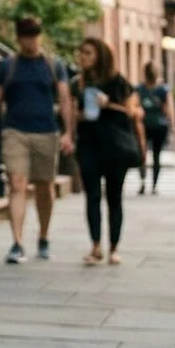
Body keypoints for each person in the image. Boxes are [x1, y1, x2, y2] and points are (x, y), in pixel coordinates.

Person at [0, 16, 77, 264]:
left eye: (36, 34)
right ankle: (17, 243)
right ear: (19, 38)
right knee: (17, 183)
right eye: (28, 35)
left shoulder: (54, 64)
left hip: (46, 131)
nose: (32, 39)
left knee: (44, 187)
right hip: (15, 131)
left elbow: (64, 99)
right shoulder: (8, 66)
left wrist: (68, 132)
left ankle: (43, 236)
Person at [73, 38, 143, 264]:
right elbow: (72, 111)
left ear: (100, 56)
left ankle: (113, 247)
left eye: (88, 53)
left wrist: (108, 104)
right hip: (89, 143)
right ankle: (95, 246)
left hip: (114, 145)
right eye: (81, 52)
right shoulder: (79, 83)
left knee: (114, 197)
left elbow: (133, 111)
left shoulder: (117, 82)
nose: (82, 57)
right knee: (92, 196)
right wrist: (78, 117)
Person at [135, 62, 174, 195]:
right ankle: (154, 185)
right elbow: (169, 109)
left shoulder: (139, 89)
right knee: (157, 156)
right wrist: (173, 125)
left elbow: (135, 106)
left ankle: (143, 181)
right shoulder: (163, 89)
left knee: (142, 154)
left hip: (143, 125)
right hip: (159, 125)